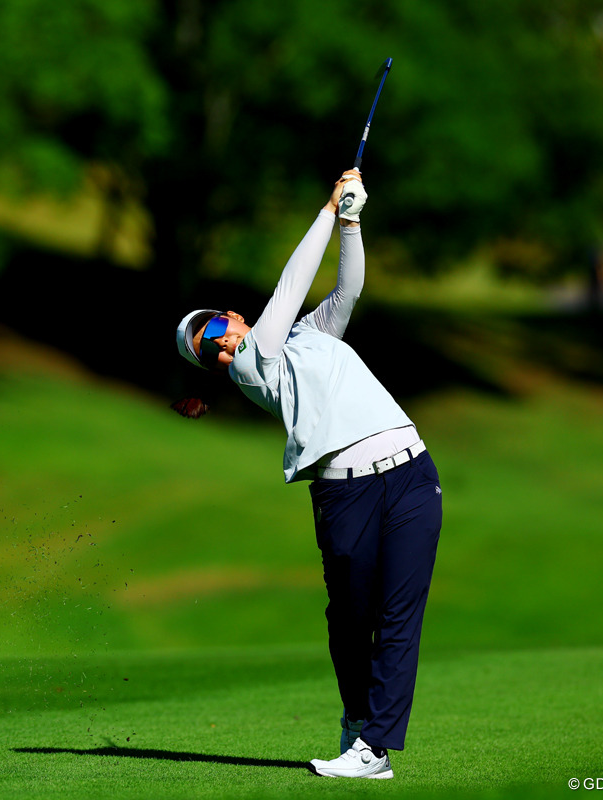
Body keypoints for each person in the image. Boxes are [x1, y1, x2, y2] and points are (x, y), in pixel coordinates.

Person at [174, 170, 442, 780]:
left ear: (230, 317)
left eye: (214, 331)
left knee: (400, 616)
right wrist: (325, 209)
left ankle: (374, 750)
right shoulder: (256, 363)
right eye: (209, 352)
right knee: (350, 618)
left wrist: (350, 221)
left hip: (410, 474)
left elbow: (348, 288)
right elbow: (290, 288)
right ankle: (357, 720)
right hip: (343, 491)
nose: (219, 347)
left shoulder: (308, 337)